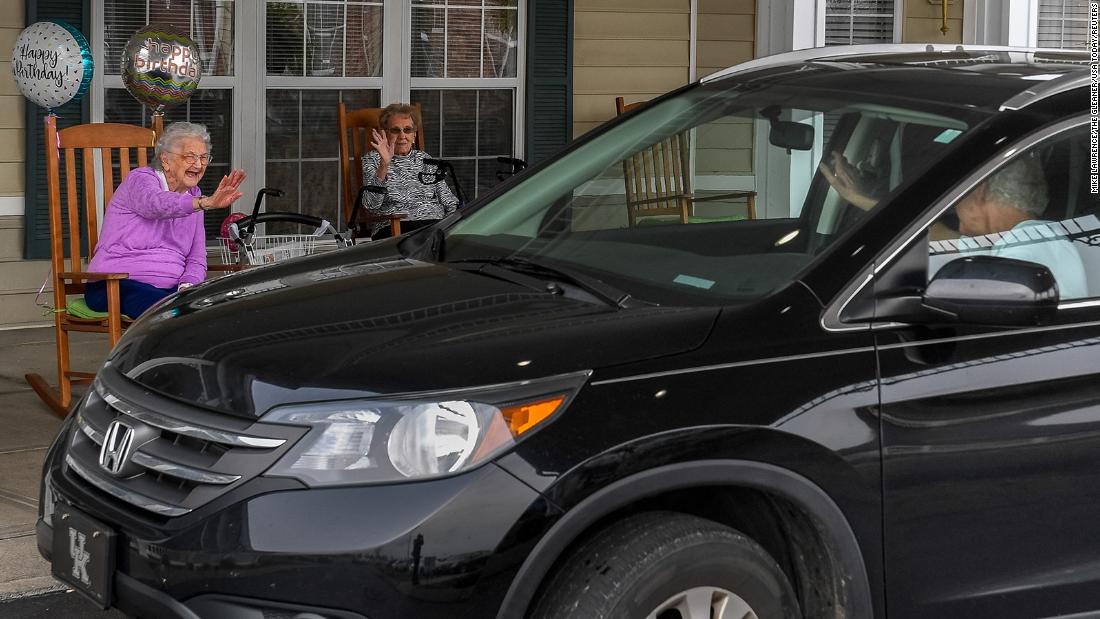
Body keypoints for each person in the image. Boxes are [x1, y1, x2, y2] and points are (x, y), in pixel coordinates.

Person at [85, 122, 246, 317]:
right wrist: (203, 203)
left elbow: (196, 257)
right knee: (172, 314)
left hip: (170, 291)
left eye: (204, 158)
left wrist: (187, 286)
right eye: (190, 156)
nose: (198, 164)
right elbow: (155, 204)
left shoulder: (194, 195)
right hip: (115, 284)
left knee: (225, 307)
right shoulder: (140, 179)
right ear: (165, 159)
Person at [945, 157, 1087, 299]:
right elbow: (959, 247)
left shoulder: (1028, 248)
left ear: (979, 191)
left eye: (956, 198)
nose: (955, 207)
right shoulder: (1033, 238)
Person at [360, 103, 458, 239]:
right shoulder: (373, 159)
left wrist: (452, 226)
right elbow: (370, 205)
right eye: (395, 130)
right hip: (396, 227)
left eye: (407, 130)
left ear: (414, 136)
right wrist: (384, 164)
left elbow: (449, 200)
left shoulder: (425, 159)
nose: (402, 136)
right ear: (384, 133)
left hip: (434, 225)